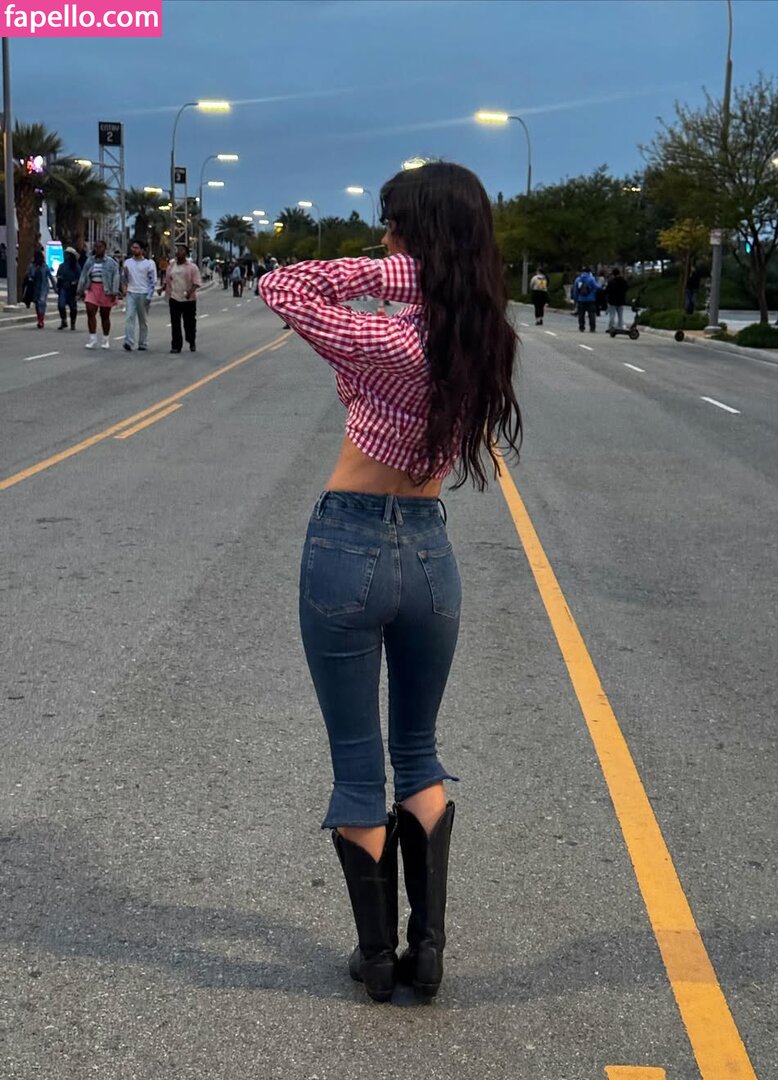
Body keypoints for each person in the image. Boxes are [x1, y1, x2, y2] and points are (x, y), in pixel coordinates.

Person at [258, 162, 522, 1005]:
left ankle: (376, 959)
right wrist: (439, 274)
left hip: (349, 540)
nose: (382, 241)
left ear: (420, 241)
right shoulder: (482, 338)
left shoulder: (394, 338)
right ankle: (428, 951)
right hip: (431, 555)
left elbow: (284, 285)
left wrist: (401, 271)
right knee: (419, 751)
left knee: (356, 763)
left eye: (394, 229)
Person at [76, 239, 120, 349]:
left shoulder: (111, 262)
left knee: (104, 315)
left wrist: (114, 291)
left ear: (105, 248)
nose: (98, 249)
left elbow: (116, 276)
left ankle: (105, 339)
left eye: (100, 247)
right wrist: (80, 290)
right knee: (90, 311)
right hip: (92, 288)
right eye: (96, 247)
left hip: (106, 290)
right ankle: (92, 338)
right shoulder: (90, 261)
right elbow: (83, 275)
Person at [161, 243, 201, 353]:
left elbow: (197, 283)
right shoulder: (171, 265)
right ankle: (176, 346)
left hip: (188, 300)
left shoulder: (192, 267)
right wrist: (163, 288)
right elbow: (168, 279)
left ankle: (191, 340)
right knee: (175, 323)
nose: (178, 252)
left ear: (186, 253)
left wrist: (189, 292)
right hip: (174, 297)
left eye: (182, 250)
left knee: (189, 323)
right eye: (178, 250)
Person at [122, 240, 157, 352]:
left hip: (143, 293)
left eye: (136, 248)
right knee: (129, 317)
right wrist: (124, 284)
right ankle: (128, 341)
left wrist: (149, 296)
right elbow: (124, 278)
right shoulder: (127, 262)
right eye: (133, 247)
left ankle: (143, 342)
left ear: (142, 250)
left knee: (143, 320)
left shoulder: (149, 264)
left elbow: (152, 281)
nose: (134, 250)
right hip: (131, 292)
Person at [24, 250, 55, 329]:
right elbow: (27, 274)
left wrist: (55, 287)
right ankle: (39, 319)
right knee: (37, 303)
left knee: (42, 302)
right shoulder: (32, 266)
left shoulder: (45, 266)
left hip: (43, 287)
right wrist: (29, 277)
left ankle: (41, 320)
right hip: (34, 287)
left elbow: (50, 277)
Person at [55, 247, 80, 330]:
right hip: (63, 287)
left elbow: (79, 277)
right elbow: (58, 275)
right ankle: (64, 321)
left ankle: (73, 323)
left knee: (73, 307)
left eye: (67, 254)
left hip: (72, 289)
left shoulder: (76, 266)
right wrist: (59, 279)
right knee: (61, 305)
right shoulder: (62, 266)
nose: (65, 256)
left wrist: (75, 283)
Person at [571, 266, 598, 332]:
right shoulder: (591, 279)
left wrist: (576, 299)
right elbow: (596, 287)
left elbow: (575, 290)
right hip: (591, 299)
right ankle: (592, 328)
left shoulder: (578, 279)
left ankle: (581, 327)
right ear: (589, 272)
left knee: (581, 314)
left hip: (581, 299)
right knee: (591, 314)